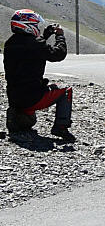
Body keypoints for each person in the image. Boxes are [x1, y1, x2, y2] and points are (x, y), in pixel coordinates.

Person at [3, 9, 75, 142]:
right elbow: (58, 54)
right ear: (28, 25)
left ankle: (19, 117)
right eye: (35, 25)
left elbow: (34, 48)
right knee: (66, 90)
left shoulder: (9, 43)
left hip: (14, 97)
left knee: (29, 121)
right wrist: (60, 36)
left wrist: (45, 35)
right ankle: (61, 127)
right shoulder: (35, 44)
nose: (37, 27)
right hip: (32, 97)